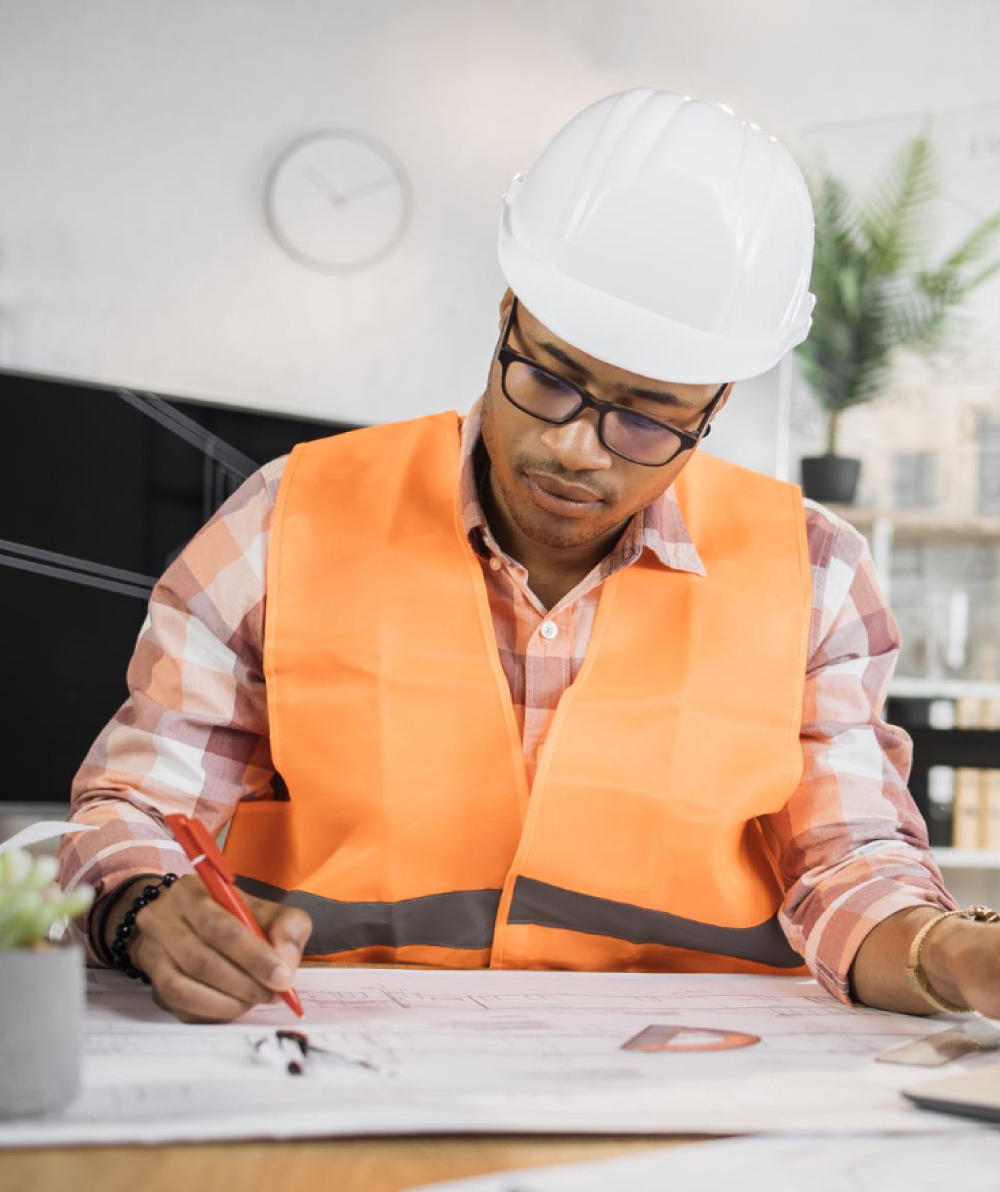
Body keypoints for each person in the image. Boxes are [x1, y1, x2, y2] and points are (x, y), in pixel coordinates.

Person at [59, 88, 999, 1025]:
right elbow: (135, 806)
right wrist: (145, 909)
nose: (577, 447)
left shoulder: (815, 576)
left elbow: (847, 861)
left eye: (645, 416)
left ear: (715, 403)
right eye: (550, 378)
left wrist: (946, 953)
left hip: (692, 1082)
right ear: (510, 313)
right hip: (323, 1053)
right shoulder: (285, 518)